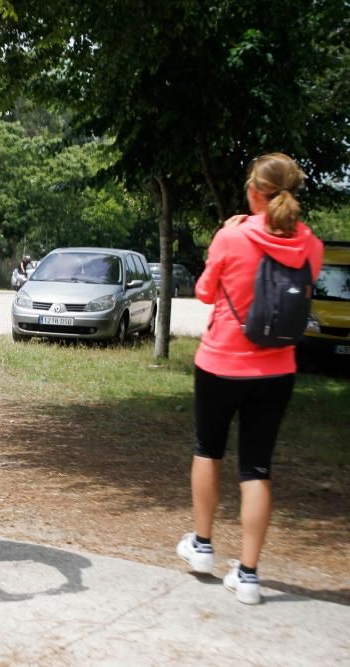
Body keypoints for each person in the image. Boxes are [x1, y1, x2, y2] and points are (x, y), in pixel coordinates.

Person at [176, 153, 323, 604]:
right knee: (256, 468)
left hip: (221, 362)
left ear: (254, 192)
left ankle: (202, 548)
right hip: (277, 370)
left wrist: (228, 237)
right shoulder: (311, 245)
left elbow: (203, 292)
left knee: (208, 450)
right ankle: (250, 574)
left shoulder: (232, 235)